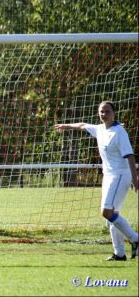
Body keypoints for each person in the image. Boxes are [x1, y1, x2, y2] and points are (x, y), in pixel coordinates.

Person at [55, 101, 138, 261]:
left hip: (120, 175)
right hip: (109, 176)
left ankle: (136, 239)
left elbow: (130, 156)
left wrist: (135, 179)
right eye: (101, 111)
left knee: (106, 212)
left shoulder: (119, 132)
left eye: (107, 111)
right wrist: (65, 125)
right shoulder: (99, 129)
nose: (104, 114)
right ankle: (119, 254)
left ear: (114, 113)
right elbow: (82, 125)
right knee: (113, 214)